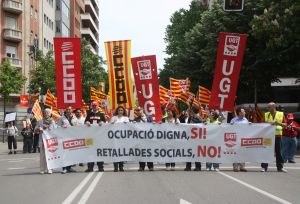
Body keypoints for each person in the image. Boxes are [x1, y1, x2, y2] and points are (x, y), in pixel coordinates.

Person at [261, 102, 287, 172]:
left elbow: (285, 125)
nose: (268, 108)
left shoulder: (281, 114)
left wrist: (279, 123)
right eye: (268, 107)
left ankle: (280, 167)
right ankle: (264, 167)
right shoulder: (266, 114)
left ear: (273, 107)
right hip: (268, 136)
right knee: (266, 151)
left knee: (278, 152)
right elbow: (261, 124)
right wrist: (268, 123)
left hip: (278, 136)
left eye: (269, 107)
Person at [85, 101, 106, 172]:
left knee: (99, 151)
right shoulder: (89, 113)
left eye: (95, 106)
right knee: (90, 151)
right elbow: (86, 122)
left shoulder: (101, 114)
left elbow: (105, 122)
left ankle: (100, 167)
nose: (94, 107)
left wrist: (102, 122)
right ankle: (90, 167)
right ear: (91, 106)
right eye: (93, 106)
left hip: (99, 137)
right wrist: (87, 122)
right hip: (90, 136)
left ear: (98, 106)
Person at [35, 108, 57, 174]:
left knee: (50, 155)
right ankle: (42, 169)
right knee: (42, 155)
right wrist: (39, 129)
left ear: (50, 114)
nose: (46, 114)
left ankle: (49, 168)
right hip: (42, 140)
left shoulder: (53, 121)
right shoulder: (40, 121)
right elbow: (35, 130)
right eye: (45, 112)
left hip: (50, 141)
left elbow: (56, 130)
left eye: (48, 112)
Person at [57, 106, 78, 174]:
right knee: (64, 153)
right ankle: (64, 168)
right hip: (64, 138)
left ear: (72, 110)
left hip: (72, 137)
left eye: (70, 109)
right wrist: (62, 127)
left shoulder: (75, 118)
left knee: (71, 153)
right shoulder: (61, 118)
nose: (69, 110)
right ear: (66, 110)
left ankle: (69, 167)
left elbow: (77, 127)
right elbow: (57, 127)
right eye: (67, 109)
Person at [134, 107, 154, 171]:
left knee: (149, 152)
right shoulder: (136, 119)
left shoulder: (149, 117)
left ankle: (150, 166)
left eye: (139, 110)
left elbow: (153, 126)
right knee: (141, 153)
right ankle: (141, 166)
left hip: (148, 138)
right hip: (141, 139)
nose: (138, 111)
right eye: (137, 110)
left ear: (142, 110)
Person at [230, 107, 250, 172]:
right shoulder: (233, 120)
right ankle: (235, 166)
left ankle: (242, 166)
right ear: (239, 113)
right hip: (235, 139)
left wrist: (250, 125)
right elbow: (229, 129)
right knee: (235, 152)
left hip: (243, 139)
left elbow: (248, 129)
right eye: (243, 112)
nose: (245, 113)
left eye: (244, 112)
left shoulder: (246, 120)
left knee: (242, 152)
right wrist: (231, 125)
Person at [111, 106, 130, 172]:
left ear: (123, 111)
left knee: (121, 152)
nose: (120, 111)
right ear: (117, 111)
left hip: (122, 137)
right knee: (115, 152)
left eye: (121, 110)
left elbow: (128, 127)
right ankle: (115, 166)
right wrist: (112, 123)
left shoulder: (126, 118)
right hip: (115, 137)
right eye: (119, 110)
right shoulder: (114, 118)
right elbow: (110, 126)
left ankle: (121, 166)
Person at [185, 106, 203, 171]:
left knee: (196, 152)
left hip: (196, 138)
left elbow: (201, 126)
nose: (191, 111)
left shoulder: (198, 118)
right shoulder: (190, 117)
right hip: (190, 137)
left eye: (192, 110)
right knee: (189, 151)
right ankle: (188, 166)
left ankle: (198, 166)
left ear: (194, 111)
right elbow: (187, 125)